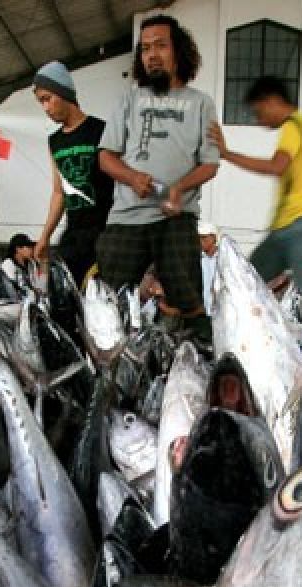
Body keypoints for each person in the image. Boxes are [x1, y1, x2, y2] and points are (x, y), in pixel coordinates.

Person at [97, 14, 219, 342]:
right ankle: (108, 374)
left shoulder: (201, 104)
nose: (152, 54)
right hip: (125, 218)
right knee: (109, 304)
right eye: (145, 48)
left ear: (178, 51)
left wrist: (179, 188)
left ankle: (200, 368)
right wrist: (132, 176)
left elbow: (210, 164)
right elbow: (106, 157)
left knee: (188, 300)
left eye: (160, 46)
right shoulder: (128, 100)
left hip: (176, 218)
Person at [211, 75, 302, 323]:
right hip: (288, 227)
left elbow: (277, 167)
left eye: (259, 111)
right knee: (248, 280)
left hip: (297, 228)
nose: (259, 120)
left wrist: (227, 154)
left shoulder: (292, 126)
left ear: (272, 101)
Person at [32, 61, 114, 283]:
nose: (46, 108)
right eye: (41, 102)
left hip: (105, 230)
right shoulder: (54, 141)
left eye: (48, 99)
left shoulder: (101, 130)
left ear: (64, 93)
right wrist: (45, 236)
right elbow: (59, 192)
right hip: (74, 233)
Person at [198, 219, 218, 314]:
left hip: (219, 311)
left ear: (214, 238)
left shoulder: (223, 258)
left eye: (204, 237)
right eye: (198, 238)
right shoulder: (196, 258)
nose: (200, 241)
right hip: (201, 312)